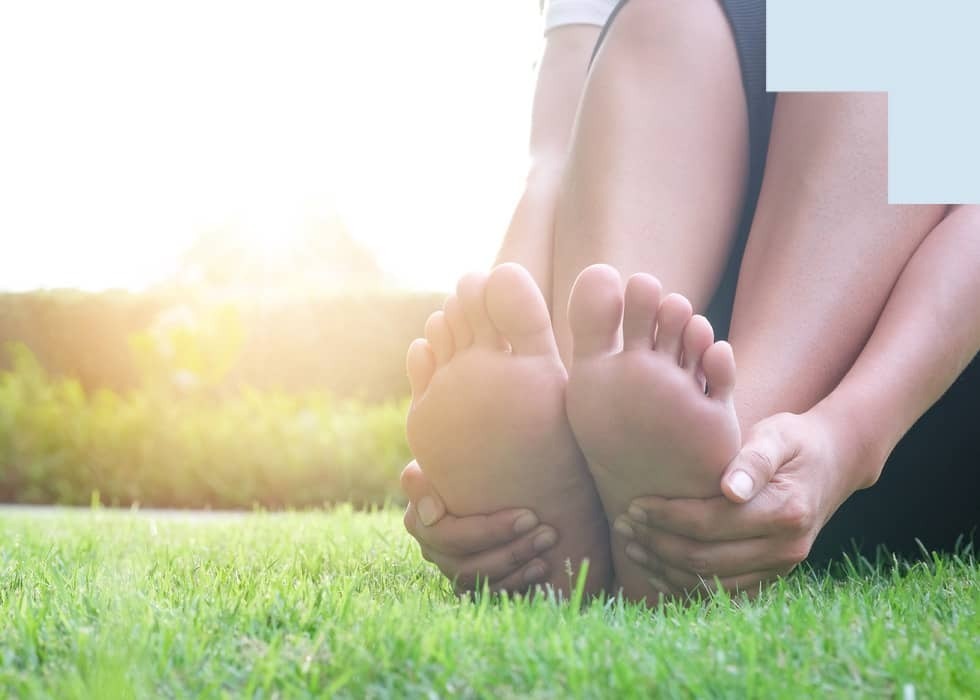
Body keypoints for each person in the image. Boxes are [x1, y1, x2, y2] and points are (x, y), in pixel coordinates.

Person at [400, 0, 980, 602]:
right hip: (688, 362)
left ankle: (737, 460)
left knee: (885, 17)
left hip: (905, 390)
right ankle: (581, 450)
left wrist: (851, 437)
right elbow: (551, 166)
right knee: (667, 15)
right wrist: (512, 376)